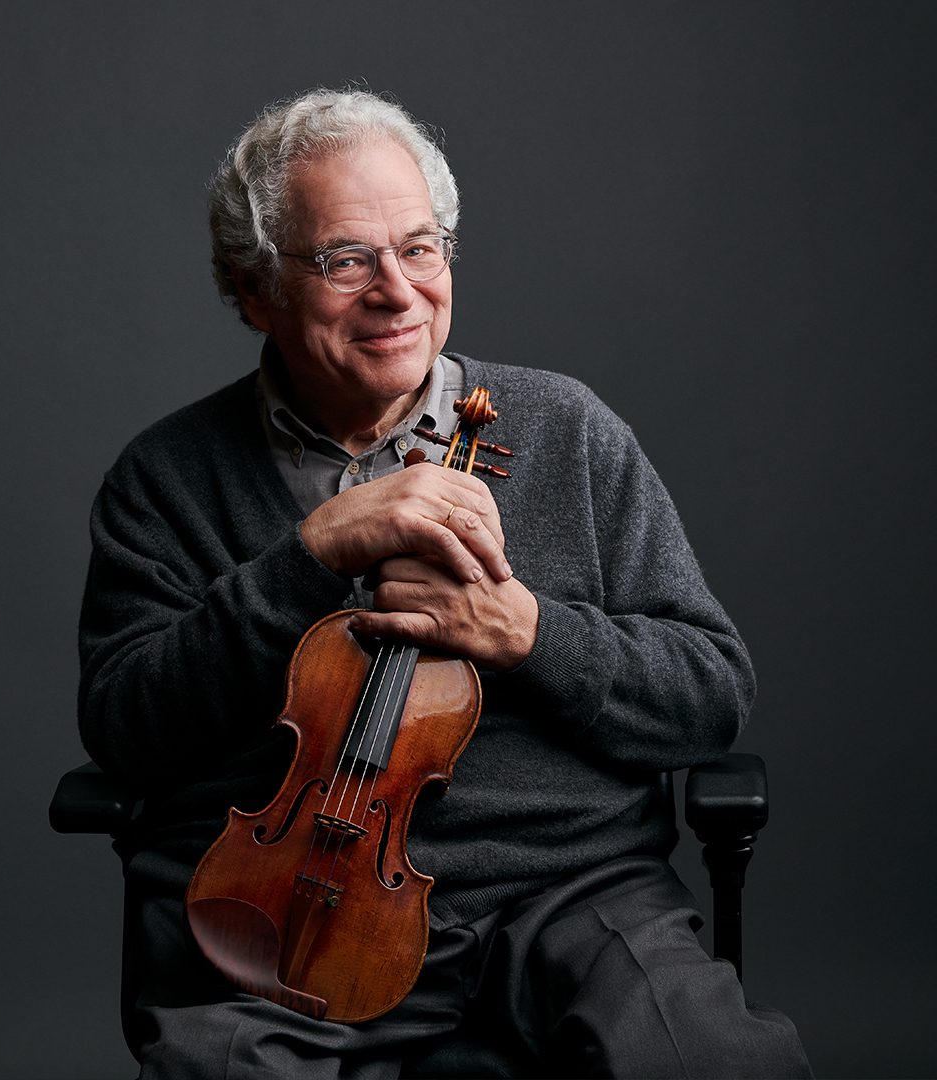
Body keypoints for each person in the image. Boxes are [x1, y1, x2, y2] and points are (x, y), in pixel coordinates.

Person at [77, 88, 811, 1079]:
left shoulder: (567, 429)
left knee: (719, 1063)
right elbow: (127, 725)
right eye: (346, 260)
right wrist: (307, 559)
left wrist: (529, 633)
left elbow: (709, 692)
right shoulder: (166, 478)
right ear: (252, 289)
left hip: (572, 898)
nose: (397, 291)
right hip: (283, 925)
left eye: (420, 248)